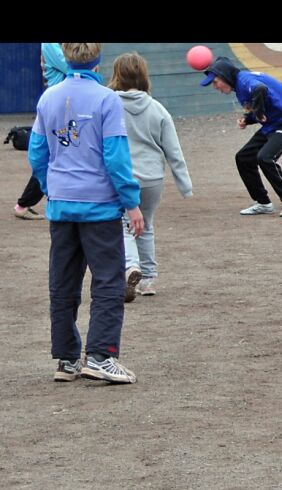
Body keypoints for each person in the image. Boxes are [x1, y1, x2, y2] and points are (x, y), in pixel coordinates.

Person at [28, 42, 143, 384]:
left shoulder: (48, 97)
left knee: (62, 283)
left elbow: (36, 152)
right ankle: (101, 355)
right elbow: (116, 157)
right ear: (98, 58)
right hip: (100, 205)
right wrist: (131, 201)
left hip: (61, 204)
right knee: (108, 280)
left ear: (64, 56)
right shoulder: (107, 99)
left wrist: (51, 187)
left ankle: (66, 359)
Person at [108, 52, 193, 301]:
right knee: (146, 226)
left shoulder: (108, 104)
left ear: (116, 76)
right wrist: (185, 186)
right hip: (152, 179)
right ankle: (148, 279)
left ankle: (130, 266)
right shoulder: (158, 110)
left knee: (123, 225)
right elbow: (173, 151)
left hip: (122, 177)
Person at [200, 56, 282, 217]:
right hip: (273, 124)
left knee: (265, 157)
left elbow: (260, 90)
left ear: (224, 77)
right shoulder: (239, 85)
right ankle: (263, 202)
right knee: (243, 158)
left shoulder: (244, 81)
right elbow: (260, 102)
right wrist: (248, 118)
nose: (215, 87)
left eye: (215, 82)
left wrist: (258, 112)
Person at [14, 43, 70, 220]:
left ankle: (24, 204)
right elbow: (69, 66)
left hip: (63, 104)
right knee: (52, 155)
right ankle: (23, 204)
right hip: (57, 106)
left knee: (56, 154)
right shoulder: (50, 44)